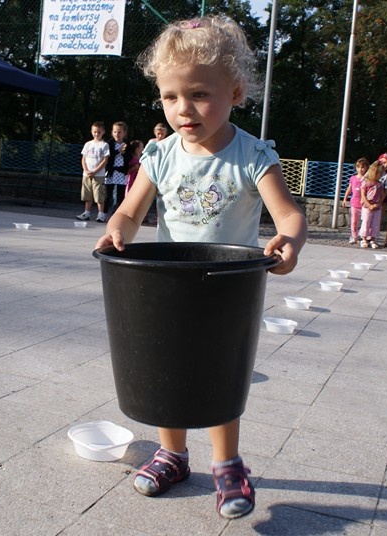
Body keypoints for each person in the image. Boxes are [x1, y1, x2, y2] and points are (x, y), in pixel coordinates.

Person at [94, 15, 307, 520]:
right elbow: (129, 210)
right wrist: (119, 228)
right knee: (165, 368)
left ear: (234, 92)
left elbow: (290, 215)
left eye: (199, 95)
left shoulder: (253, 155)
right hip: (168, 284)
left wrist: (289, 242)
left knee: (219, 374)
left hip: (228, 289)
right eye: (170, 97)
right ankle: (172, 454)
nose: (182, 109)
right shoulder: (160, 154)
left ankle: (227, 461)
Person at [76, 121, 110, 221]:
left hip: (98, 175)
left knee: (99, 194)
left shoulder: (104, 145)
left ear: (103, 132)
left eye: (99, 132)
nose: (96, 134)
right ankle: (87, 212)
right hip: (87, 174)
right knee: (87, 194)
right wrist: (86, 170)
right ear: (92, 131)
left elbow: (105, 160)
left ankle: (101, 214)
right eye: (95, 132)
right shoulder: (88, 144)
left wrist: (95, 171)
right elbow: (83, 158)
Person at [102, 121, 133, 221]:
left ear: (124, 133)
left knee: (119, 196)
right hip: (111, 172)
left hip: (121, 173)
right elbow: (108, 157)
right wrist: (117, 151)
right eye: (115, 132)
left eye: (119, 132)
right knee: (108, 194)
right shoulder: (109, 144)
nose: (117, 134)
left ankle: (115, 215)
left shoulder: (127, 144)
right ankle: (103, 213)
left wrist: (124, 153)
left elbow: (129, 158)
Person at [359, 159, 387, 249]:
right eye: (378, 174)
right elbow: (363, 195)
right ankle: (363, 238)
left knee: (375, 223)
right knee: (366, 222)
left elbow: (382, 195)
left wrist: (379, 203)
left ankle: (373, 239)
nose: (379, 176)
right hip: (367, 206)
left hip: (376, 206)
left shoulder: (379, 184)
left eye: (380, 174)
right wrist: (369, 205)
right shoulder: (366, 182)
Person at [342, 157, 369, 244]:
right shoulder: (353, 178)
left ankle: (364, 236)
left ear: (366, 168)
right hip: (354, 203)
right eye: (358, 167)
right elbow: (349, 189)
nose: (360, 169)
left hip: (364, 204)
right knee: (354, 221)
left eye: (362, 167)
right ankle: (354, 236)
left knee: (365, 221)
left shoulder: (367, 179)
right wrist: (345, 198)